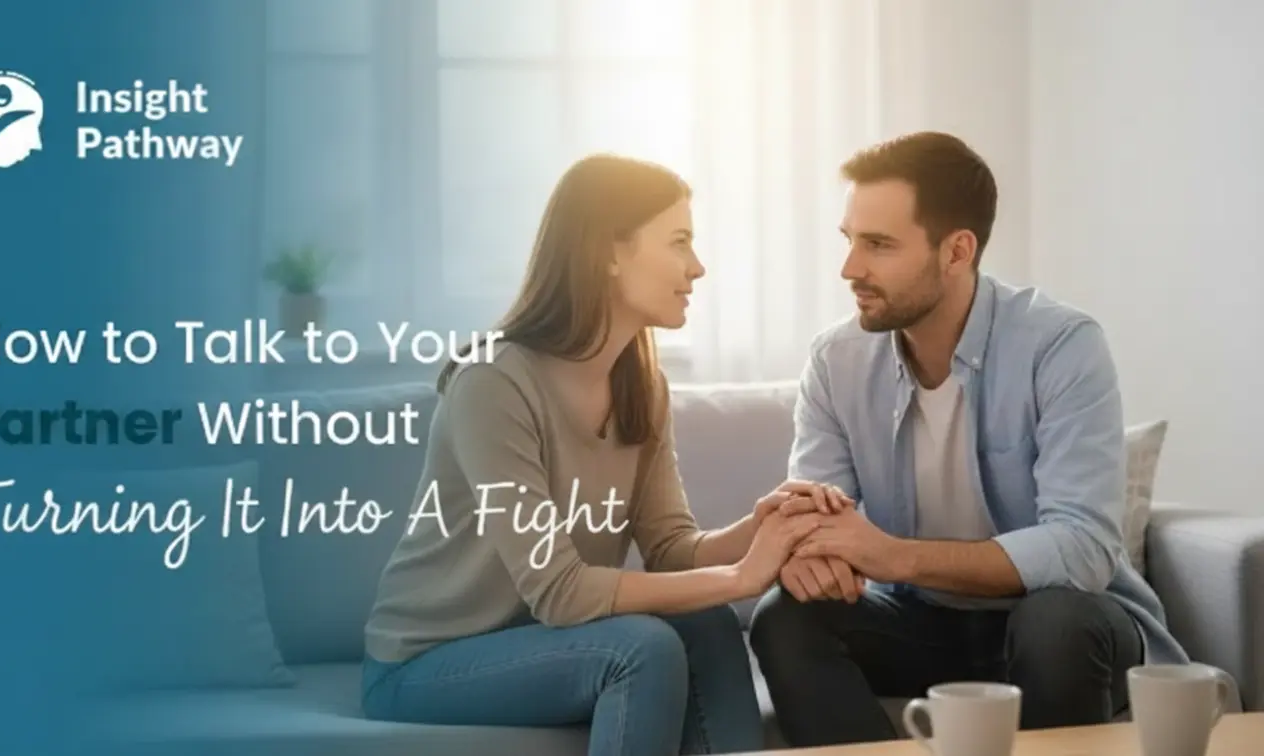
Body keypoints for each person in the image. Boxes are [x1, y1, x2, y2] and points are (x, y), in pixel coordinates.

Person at [360, 153, 831, 756]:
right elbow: (560, 591)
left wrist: (760, 527)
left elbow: (670, 549)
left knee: (709, 623)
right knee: (641, 649)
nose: (697, 266)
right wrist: (740, 577)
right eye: (679, 242)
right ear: (609, 252)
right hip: (426, 663)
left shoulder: (641, 386)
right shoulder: (493, 383)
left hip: (551, 641)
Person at [748, 131, 1192, 748]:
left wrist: (894, 556)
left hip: (1057, 626)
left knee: (1056, 619)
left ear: (957, 251)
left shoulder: (1060, 345)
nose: (850, 268)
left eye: (878, 245)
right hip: (917, 623)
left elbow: (1083, 547)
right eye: (849, 240)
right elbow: (816, 517)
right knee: (785, 618)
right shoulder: (836, 361)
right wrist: (808, 553)